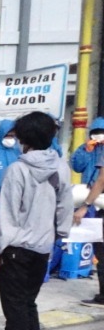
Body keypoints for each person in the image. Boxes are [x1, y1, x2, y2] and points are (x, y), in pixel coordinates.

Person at [0, 111, 72, 330]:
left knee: (14, 303)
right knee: (28, 301)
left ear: (23, 138)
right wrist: (61, 236)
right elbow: (65, 206)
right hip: (43, 247)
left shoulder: (18, 170)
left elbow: (8, 215)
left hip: (17, 248)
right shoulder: (60, 167)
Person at [71, 120, 104, 307]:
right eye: (96, 132)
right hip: (92, 200)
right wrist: (86, 149)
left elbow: (101, 180)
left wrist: (85, 205)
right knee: (96, 244)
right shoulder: (89, 150)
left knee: (102, 249)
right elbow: (76, 166)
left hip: (94, 201)